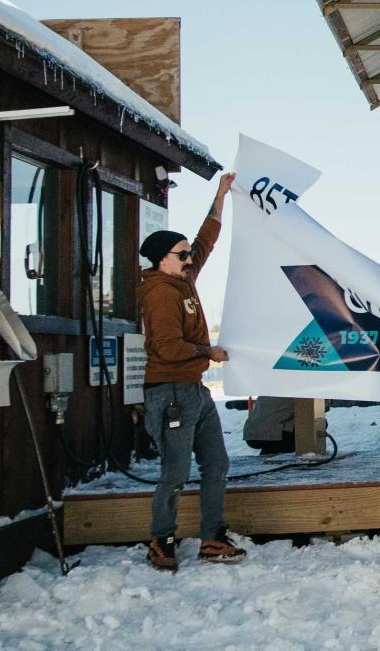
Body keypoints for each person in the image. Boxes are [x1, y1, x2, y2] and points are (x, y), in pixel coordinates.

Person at [137, 172, 245, 572]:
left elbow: (205, 241)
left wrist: (219, 196)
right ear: (162, 259)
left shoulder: (182, 279)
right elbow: (167, 348)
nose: (188, 259)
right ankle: (161, 539)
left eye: (186, 255)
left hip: (195, 391)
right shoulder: (160, 293)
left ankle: (212, 537)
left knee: (216, 465)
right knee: (175, 472)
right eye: (181, 255)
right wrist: (209, 351)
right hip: (170, 393)